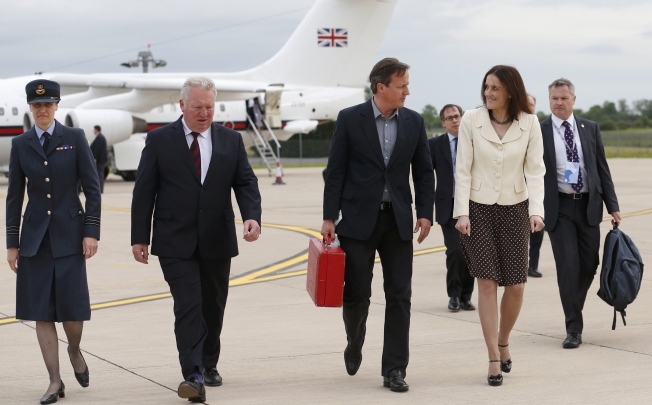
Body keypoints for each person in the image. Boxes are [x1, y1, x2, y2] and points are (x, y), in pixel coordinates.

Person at [131, 76, 262, 403]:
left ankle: (209, 362)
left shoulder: (231, 140)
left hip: (217, 236)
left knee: (213, 305)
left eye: (209, 107)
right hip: (174, 240)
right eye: (197, 107)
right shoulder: (160, 140)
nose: (204, 114)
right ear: (182, 106)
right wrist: (139, 237)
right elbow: (144, 191)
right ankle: (192, 374)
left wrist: (251, 216)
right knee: (188, 304)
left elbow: (245, 183)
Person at [322, 58, 435, 392]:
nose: (407, 92)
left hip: (398, 221)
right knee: (357, 293)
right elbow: (336, 170)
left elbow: (424, 171)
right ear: (381, 87)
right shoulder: (349, 118)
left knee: (400, 295)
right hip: (357, 221)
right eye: (402, 86)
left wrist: (425, 212)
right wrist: (330, 216)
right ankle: (354, 340)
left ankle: (394, 369)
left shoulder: (414, 122)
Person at [6, 79, 101, 404]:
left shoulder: (73, 138)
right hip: (34, 241)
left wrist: (91, 231)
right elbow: (14, 197)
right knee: (41, 313)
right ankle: (54, 381)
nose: (42, 110)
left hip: (70, 237)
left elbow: (92, 188)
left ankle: (74, 350)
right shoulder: (20, 145)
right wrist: (12, 243)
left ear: (57, 106)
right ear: (31, 109)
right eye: (36, 105)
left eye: (47, 104)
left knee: (72, 311)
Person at [453, 65, 545, 386]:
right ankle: (493, 356)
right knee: (487, 283)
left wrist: (537, 210)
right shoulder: (470, 119)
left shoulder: (530, 123)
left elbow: (535, 171)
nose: (488, 93)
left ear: (510, 91)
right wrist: (460, 212)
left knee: (516, 285)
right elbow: (462, 168)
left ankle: (504, 339)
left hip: (516, 209)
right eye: (486, 87)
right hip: (477, 210)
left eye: (495, 88)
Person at [541, 78, 620, 349]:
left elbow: (601, 168)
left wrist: (613, 205)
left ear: (573, 99)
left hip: (588, 205)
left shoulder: (590, 128)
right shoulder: (539, 131)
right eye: (554, 98)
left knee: (589, 265)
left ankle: (572, 304)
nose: (559, 103)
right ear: (549, 100)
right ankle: (573, 327)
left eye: (563, 98)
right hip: (559, 207)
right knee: (568, 266)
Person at [428, 104, 475, 312]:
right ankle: (454, 295)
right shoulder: (435, 145)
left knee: (472, 253)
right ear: (443, 122)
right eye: (450, 118)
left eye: (457, 116)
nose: (455, 121)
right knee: (455, 251)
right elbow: (426, 178)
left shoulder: (474, 141)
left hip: (474, 206)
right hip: (449, 207)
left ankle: (466, 296)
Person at [526, 93, 544, 278]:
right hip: (516, 190)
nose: (527, 107)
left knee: (537, 232)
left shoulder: (540, 128)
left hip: (536, 188)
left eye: (530, 104)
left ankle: (533, 265)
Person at [89, 125, 108, 193]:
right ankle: (100, 189)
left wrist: (95, 158)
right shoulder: (101, 137)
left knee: (100, 174)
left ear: (96, 130)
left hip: (100, 160)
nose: (93, 131)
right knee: (100, 174)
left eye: (94, 130)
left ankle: (100, 189)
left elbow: (97, 149)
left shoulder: (99, 137)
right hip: (101, 159)